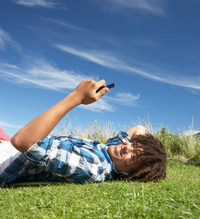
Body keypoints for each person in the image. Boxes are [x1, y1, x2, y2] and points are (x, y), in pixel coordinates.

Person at [0, 79, 166, 187]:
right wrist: (144, 147)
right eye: (134, 144)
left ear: (128, 175)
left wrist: (76, 97)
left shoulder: (94, 166)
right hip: (8, 149)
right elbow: (138, 128)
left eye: (134, 157)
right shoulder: (109, 151)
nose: (127, 147)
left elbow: (23, 142)